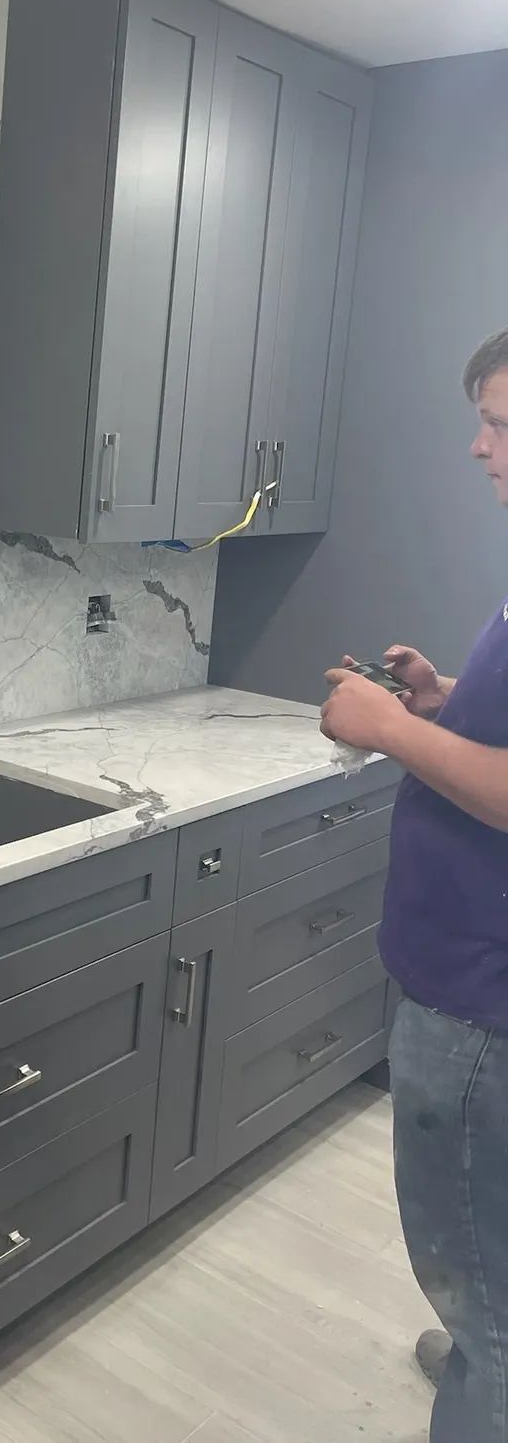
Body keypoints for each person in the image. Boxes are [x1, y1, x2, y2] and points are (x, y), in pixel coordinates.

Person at [320, 327, 508, 1443]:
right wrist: (444, 704)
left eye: (499, 426)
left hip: (478, 999)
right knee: (485, 1235)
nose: (478, 449)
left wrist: (387, 731)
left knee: (473, 1278)